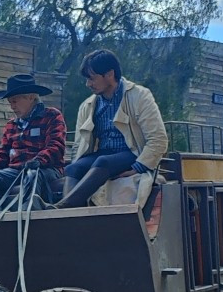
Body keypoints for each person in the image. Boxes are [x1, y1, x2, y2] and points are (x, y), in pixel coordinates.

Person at [55, 49, 169, 209]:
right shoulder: (87, 105)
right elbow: (78, 146)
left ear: (109, 74)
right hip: (104, 154)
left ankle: (64, 207)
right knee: (74, 167)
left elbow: (158, 139)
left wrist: (138, 167)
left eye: (92, 78)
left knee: (102, 161)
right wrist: (79, 165)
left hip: (131, 153)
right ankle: (70, 211)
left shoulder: (140, 96)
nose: (88, 84)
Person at [0, 72, 66, 209]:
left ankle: (27, 215)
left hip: (46, 169)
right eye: (10, 102)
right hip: (16, 171)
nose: (12, 106)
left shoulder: (52, 116)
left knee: (32, 175)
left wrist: (38, 160)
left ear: (31, 97)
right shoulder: (11, 125)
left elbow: (56, 147)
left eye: (15, 101)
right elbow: (3, 157)